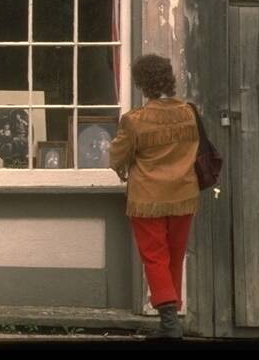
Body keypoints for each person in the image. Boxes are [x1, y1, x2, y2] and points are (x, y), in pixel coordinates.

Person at [109, 54, 199, 341]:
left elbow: (116, 157)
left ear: (141, 83)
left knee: (155, 258)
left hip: (147, 199)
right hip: (184, 195)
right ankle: (171, 321)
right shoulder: (190, 113)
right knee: (174, 257)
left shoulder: (134, 120)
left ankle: (169, 324)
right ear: (168, 79)